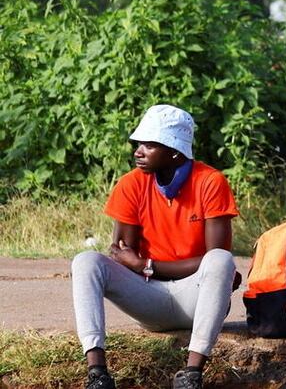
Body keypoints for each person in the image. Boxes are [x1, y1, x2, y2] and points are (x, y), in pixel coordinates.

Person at [71, 105, 240, 389]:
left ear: (175, 151)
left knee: (222, 261)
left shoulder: (210, 182)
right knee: (86, 261)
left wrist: (146, 265)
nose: (138, 151)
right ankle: (97, 372)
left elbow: (215, 259)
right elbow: (123, 254)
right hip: (148, 298)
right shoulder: (131, 185)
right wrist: (139, 266)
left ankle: (192, 374)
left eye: (150, 145)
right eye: (138, 143)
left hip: (198, 301)